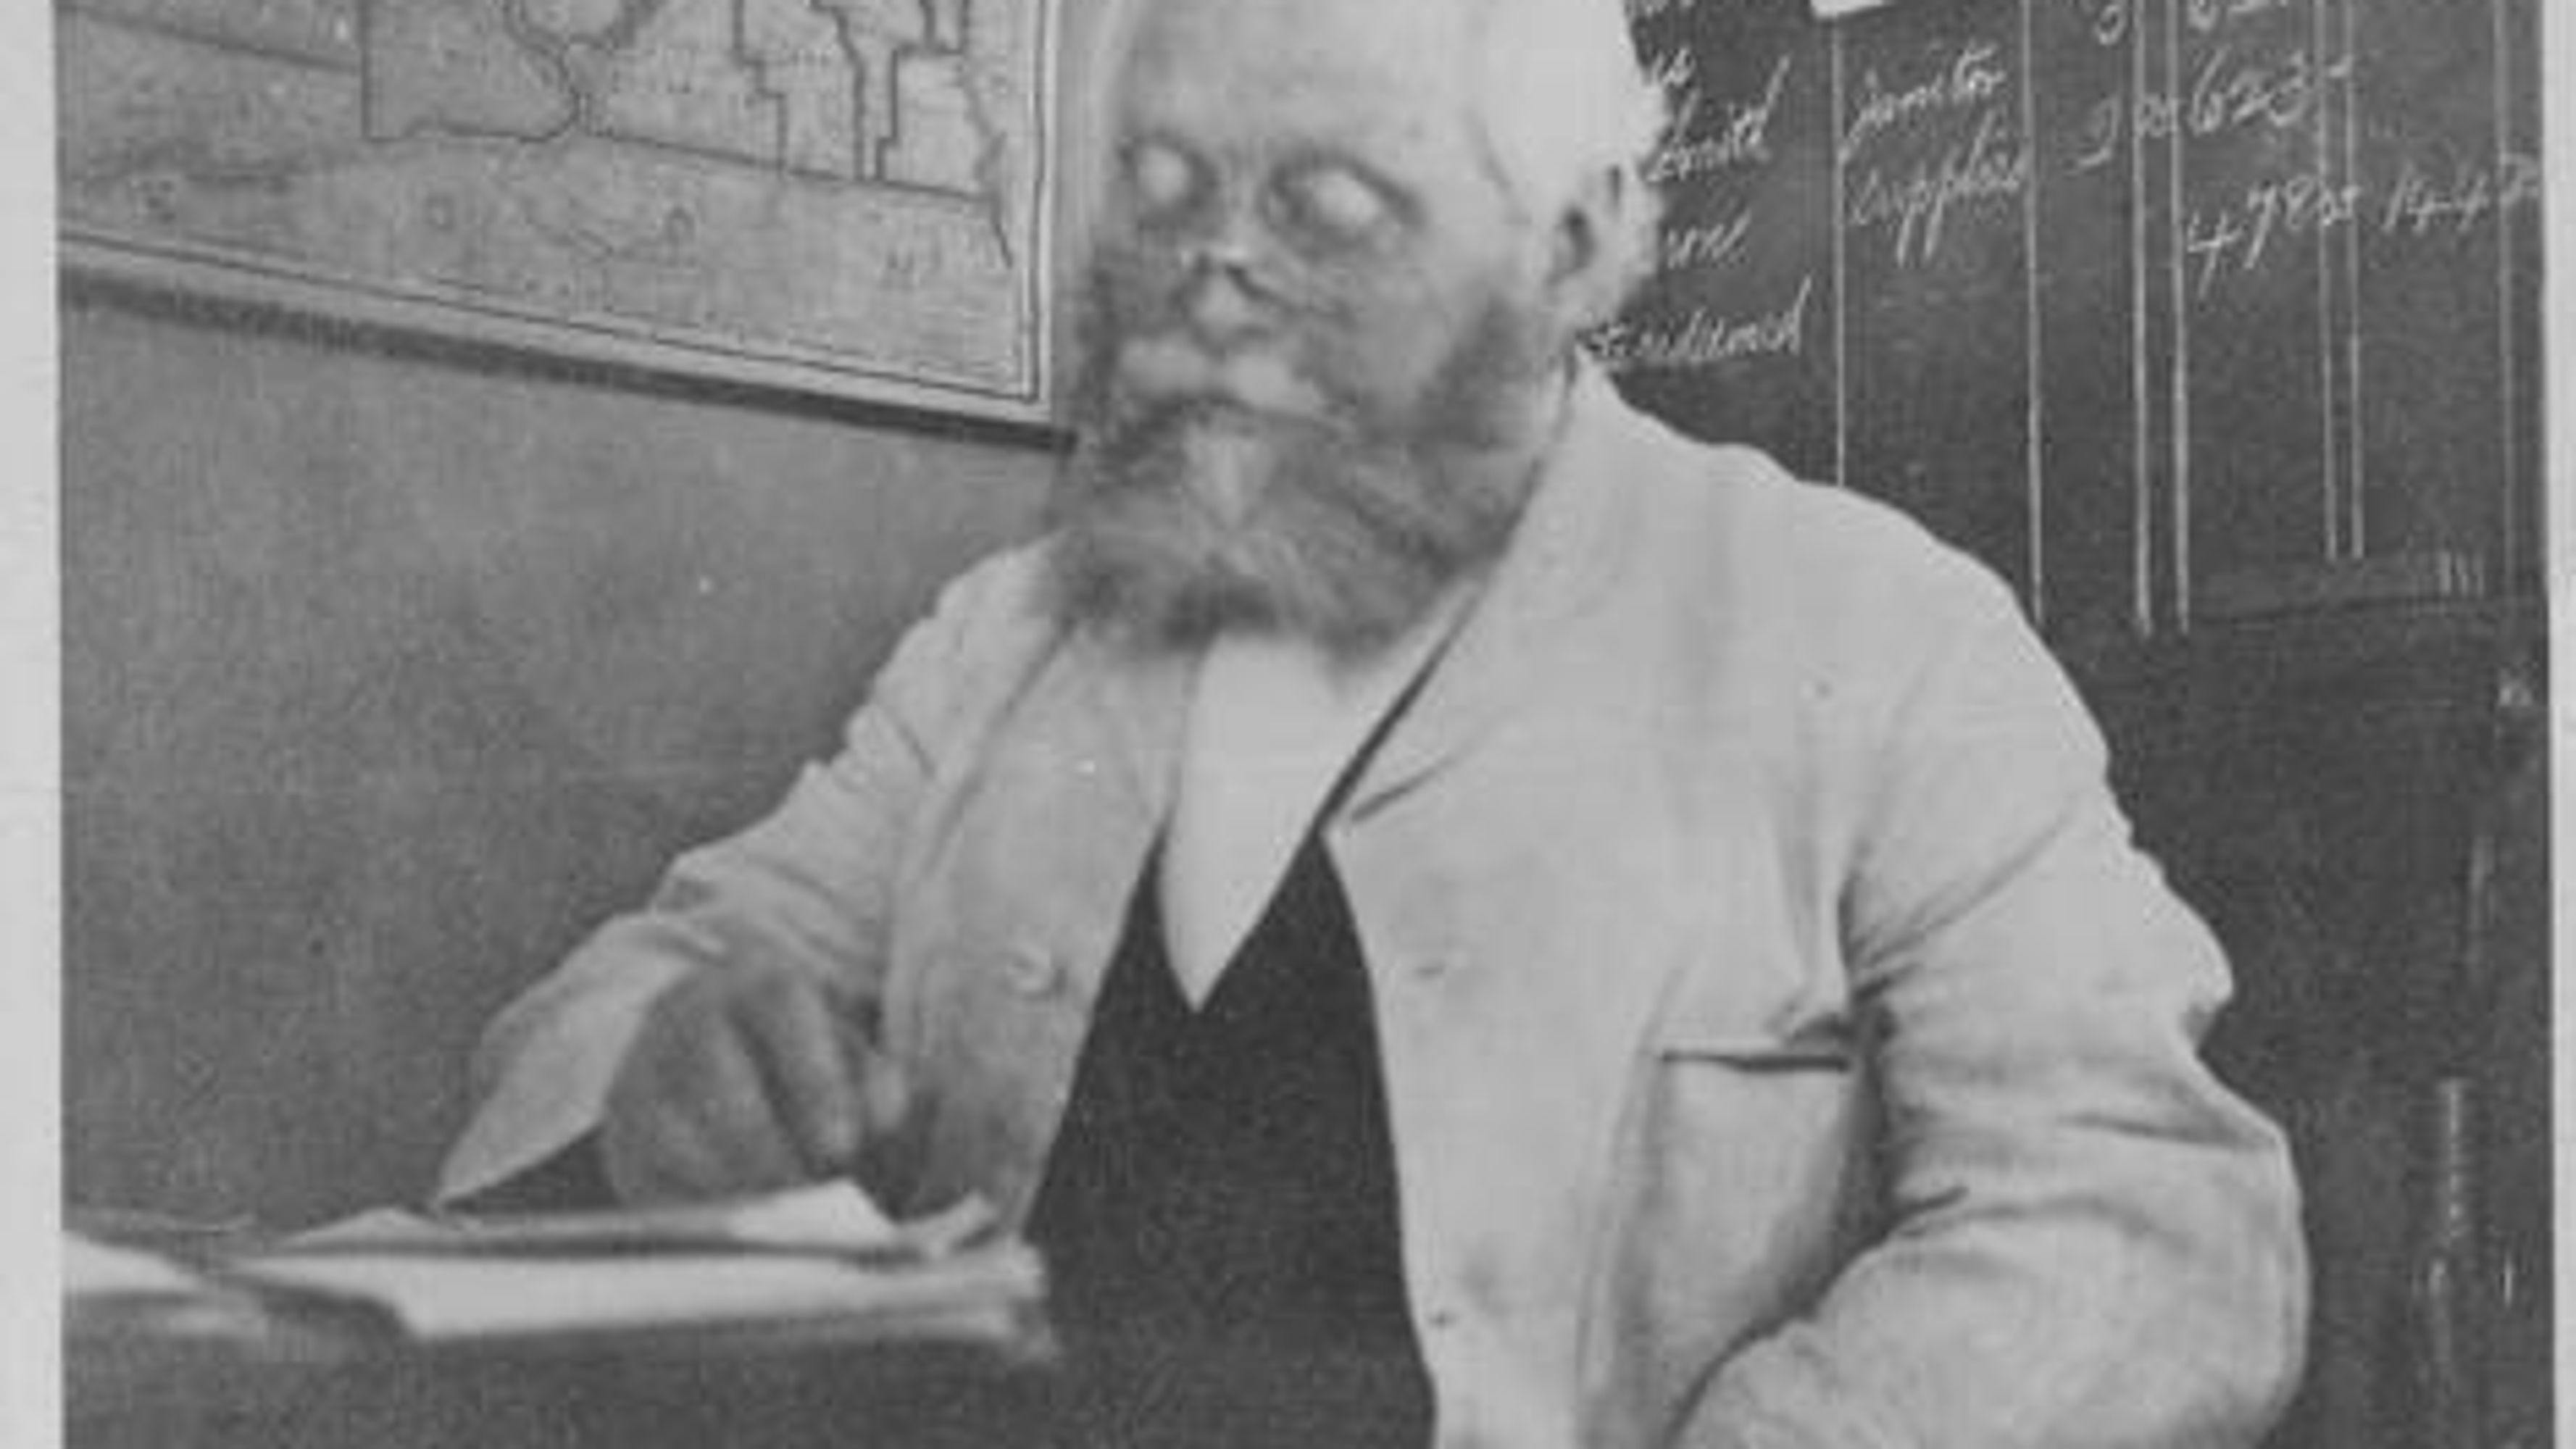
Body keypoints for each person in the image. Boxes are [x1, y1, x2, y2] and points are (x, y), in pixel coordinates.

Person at [438, 0, 2308, 1442]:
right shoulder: (1010, 644)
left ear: (1576, 246)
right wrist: (665, 1076)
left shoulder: (1873, 638)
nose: (1211, 275)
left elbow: (2148, 1232)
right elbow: (646, 992)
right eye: (1165, 194)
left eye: (1325, 202)